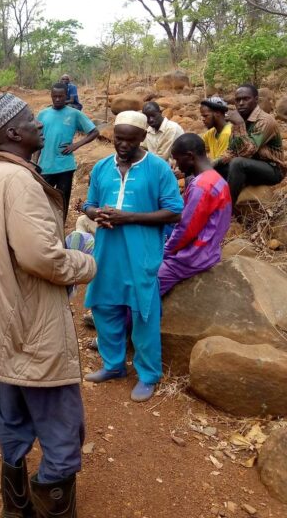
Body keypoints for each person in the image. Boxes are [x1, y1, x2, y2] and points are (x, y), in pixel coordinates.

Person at [0, 93, 97, 518]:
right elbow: (41, 257)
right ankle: (53, 506)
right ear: (12, 132)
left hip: (4, 324)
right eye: (31, 120)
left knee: (15, 420)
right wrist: (85, 262)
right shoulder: (19, 182)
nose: (41, 124)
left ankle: (15, 508)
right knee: (62, 429)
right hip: (34, 326)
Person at [82, 111, 183, 403]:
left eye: (130, 140)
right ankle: (113, 366)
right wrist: (95, 213)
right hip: (107, 251)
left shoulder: (158, 169)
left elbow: (174, 211)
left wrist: (130, 217)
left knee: (143, 313)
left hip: (142, 253)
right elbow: (89, 204)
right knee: (104, 307)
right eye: (118, 139)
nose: (123, 145)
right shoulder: (102, 167)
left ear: (142, 138)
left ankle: (148, 374)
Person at [160, 134, 232, 295]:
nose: (177, 165)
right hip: (210, 249)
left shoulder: (201, 186)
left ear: (190, 157)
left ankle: (124, 319)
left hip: (193, 256)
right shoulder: (217, 178)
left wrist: (164, 252)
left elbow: (186, 229)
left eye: (177, 160)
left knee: (146, 282)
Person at [213, 84, 285, 205]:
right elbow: (232, 151)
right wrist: (212, 164)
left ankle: (227, 209)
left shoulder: (265, 120)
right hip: (249, 165)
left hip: (272, 169)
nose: (241, 103)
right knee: (213, 168)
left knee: (237, 163)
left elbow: (247, 151)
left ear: (256, 100)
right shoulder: (240, 120)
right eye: (238, 100)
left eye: (246, 99)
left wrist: (239, 124)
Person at [37, 82, 99, 219]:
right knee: (41, 202)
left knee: (62, 202)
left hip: (65, 166)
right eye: (55, 96)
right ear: (51, 96)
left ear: (66, 96)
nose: (58, 99)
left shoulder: (74, 114)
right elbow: (36, 141)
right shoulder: (42, 114)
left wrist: (75, 145)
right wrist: (34, 164)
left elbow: (94, 132)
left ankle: (60, 232)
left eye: (61, 96)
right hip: (45, 167)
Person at [200, 96, 232, 161]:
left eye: (205, 116)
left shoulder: (227, 133)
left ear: (217, 113)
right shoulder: (210, 133)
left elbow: (221, 162)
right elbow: (198, 149)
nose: (203, 119)